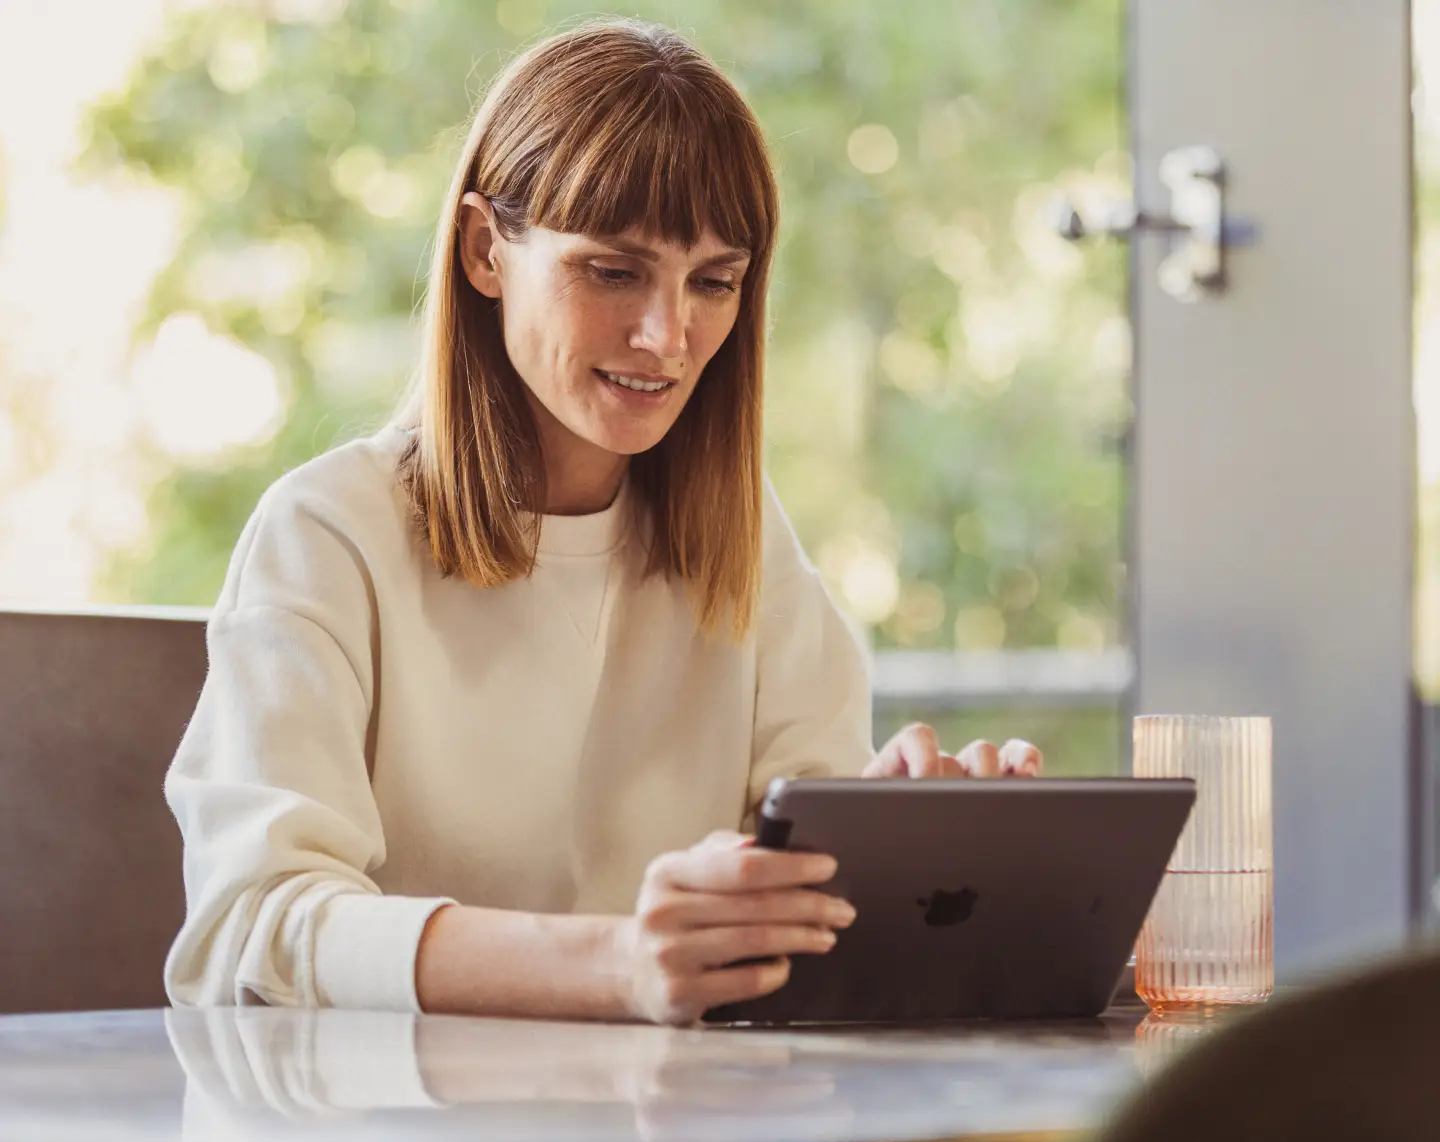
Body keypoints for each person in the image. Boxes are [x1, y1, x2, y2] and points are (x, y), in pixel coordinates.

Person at [163, 18, 1042, 1027]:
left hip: (672, 1105)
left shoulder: (745, 542)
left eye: (713, 282)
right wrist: (616, 965)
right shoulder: (327, 536)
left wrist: (902, 849)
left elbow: (800, 909)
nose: (668, 337)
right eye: (614, 271)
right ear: (485, 251)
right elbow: (253, 926)